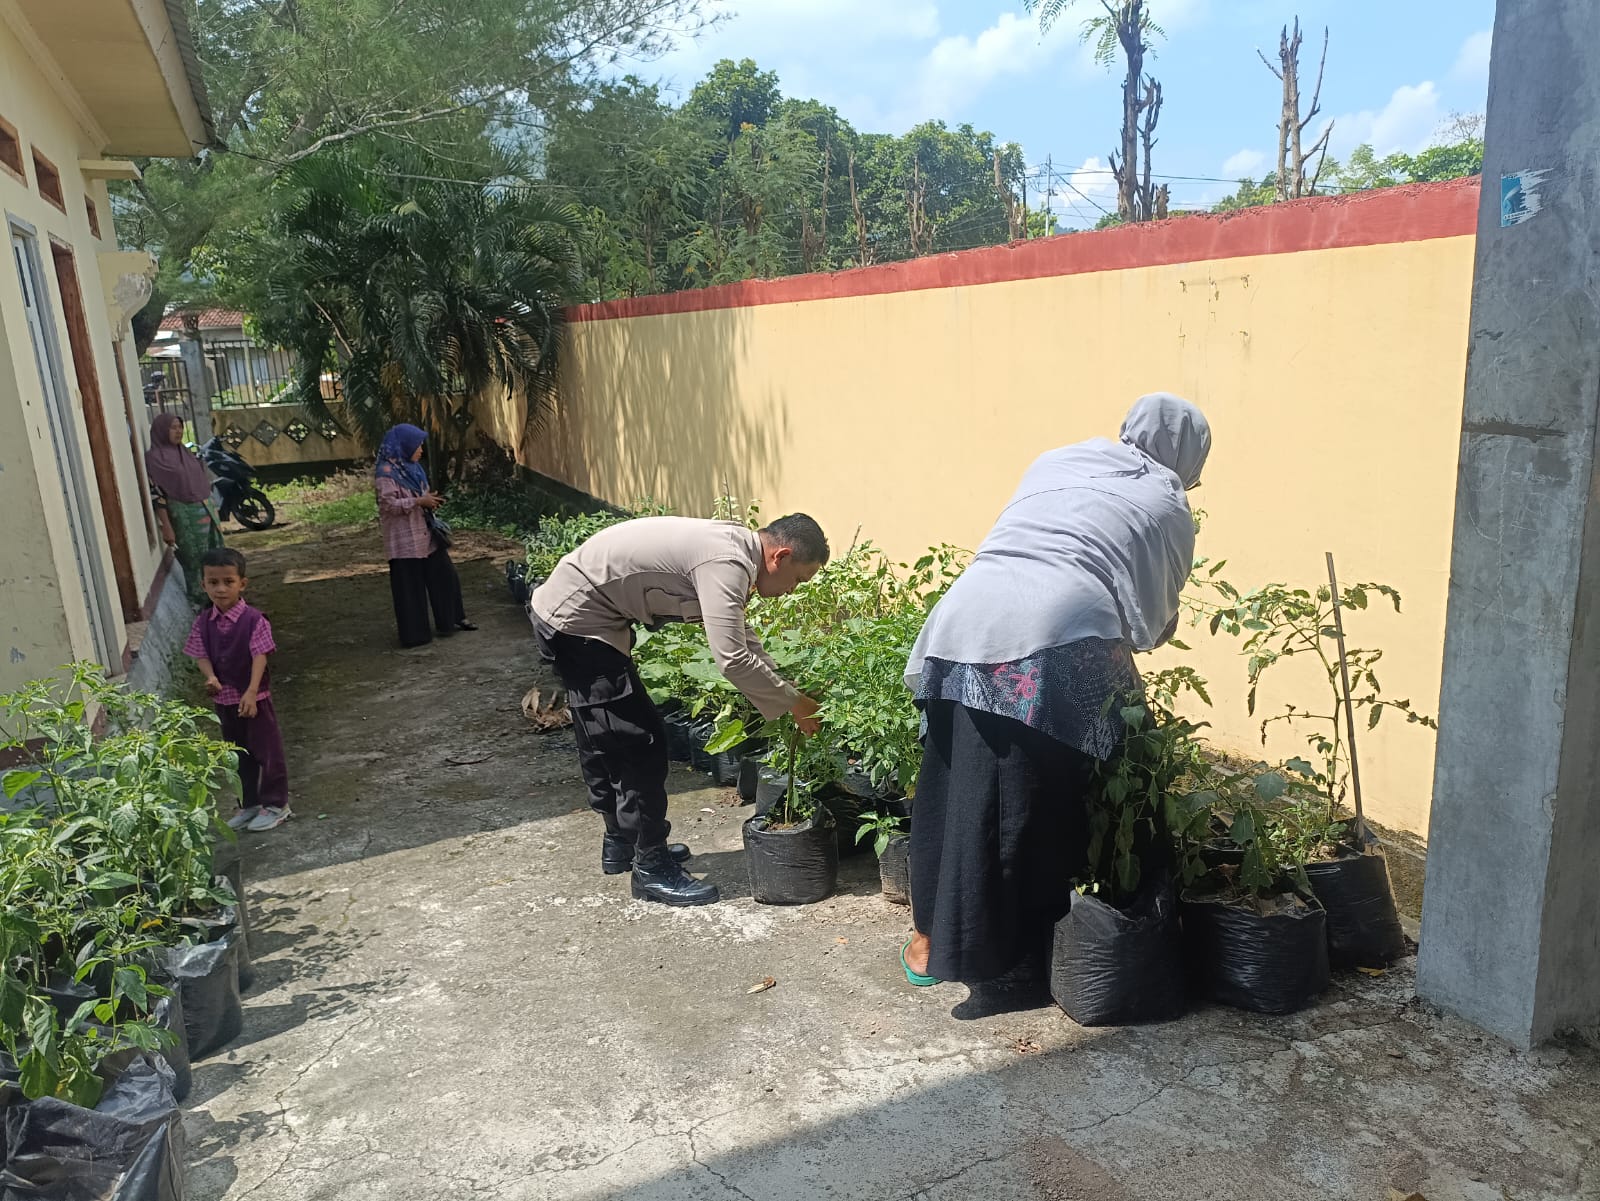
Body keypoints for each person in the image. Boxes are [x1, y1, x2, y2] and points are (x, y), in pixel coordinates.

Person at [900, 393, 1212, 990]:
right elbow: (1151, 622)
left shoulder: (1061, 459)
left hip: (961, 620)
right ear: (1190, 456)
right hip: (1053, 636)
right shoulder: (1168, 501)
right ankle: (1015, 953)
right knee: (1041, 789)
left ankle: (928, 940)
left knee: (950, 778)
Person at [529, 514, 829, 906]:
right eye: (798, 580)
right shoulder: (727, 562)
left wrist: (785, 685)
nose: (792, 590)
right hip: (578, 624)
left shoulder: (735, 550)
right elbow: (732, 658)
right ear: (781, 556)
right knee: (637, 746)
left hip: (578, 617)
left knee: (603, 738)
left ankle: (621, 843)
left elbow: (739, 634)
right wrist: (796, 703)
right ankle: (651, 868)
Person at [184, 547, 292, 832]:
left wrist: (252, 692)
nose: (220, 589)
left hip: (255, 700)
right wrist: (210, 677)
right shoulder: (203, 623)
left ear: (242, 584)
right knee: (237, 756)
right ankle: (249, 804)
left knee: (267, 753)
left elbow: (260, 656)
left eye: (228, 582)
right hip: (225, 702)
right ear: (203, 585)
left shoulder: (254, 620)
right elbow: (200, 654)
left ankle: (276, 805)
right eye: (213, 582)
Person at [374, 424, 476, 648]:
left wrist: (429, 500)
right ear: (404, 446)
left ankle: (452, 619)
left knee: (445, 576)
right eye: (417, 445)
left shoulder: (414, 468)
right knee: (409, 589)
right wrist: (419, 501)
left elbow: (421, 493)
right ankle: (415, 635)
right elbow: (388, 505)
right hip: (404, 542)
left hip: (427, 534)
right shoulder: (386, 473)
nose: (421, 450)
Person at [146, 412, 222, 607]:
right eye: (173, 427)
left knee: (215, 557)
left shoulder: (186, 453)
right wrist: (166, 526)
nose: (178, 431)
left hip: (206, 511)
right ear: (162, 430)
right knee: (193, 560)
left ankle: (218, 600)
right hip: (184, 517)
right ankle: (200, 603)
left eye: (180, 427)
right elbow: (157, 495)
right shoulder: (155, 459)